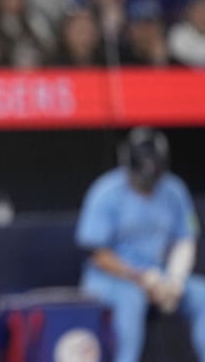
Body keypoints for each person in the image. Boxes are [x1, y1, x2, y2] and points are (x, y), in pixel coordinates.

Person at [75, 127, 205, 362]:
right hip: (113, 279)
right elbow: (95, 252)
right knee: (131, 300)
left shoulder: (173, 190)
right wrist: (139, 277)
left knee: (202, 294)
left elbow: (185, 238)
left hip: (159, 274)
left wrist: (175, 278)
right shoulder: (106, 192)